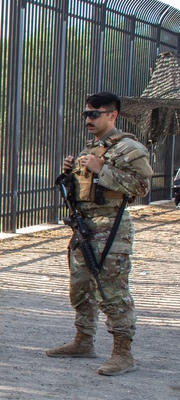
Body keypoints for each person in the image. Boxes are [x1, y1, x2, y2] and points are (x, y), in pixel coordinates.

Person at [45, 91, 152, 375]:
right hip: (85, 228)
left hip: (112, 230)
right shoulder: (88, 150)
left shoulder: (129, 148)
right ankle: (83, 341)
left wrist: (102, 169)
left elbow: (142, 187)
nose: (88, 119)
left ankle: (122, 352)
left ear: (112, 115)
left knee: (112, 291)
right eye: (86, 114)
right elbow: (82, 193)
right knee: (81, 288)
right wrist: (69, 174)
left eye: (94, 114)